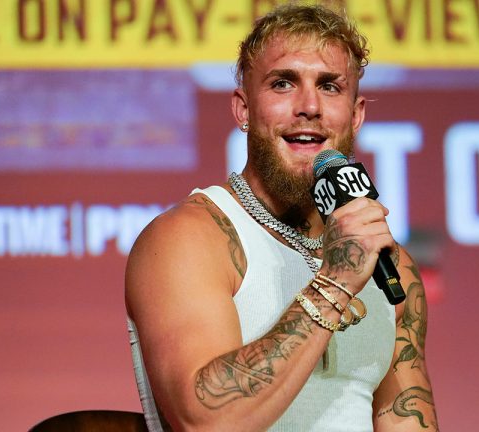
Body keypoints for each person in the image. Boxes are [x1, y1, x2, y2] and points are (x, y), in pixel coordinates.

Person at [125, 4, 439, 431]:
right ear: (243, 109)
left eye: (329, 86)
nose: (309, 106)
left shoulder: (390, 264)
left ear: (356, 115)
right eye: (283, 84)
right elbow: (205, 422)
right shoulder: (189, 238)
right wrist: (335, 282)